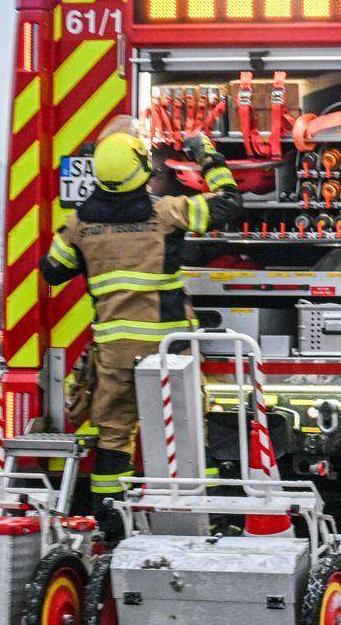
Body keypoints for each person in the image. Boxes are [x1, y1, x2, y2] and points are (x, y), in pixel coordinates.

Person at [39, 120, 241, 521]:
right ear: (141, 169)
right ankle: (208, 519)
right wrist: (206, 153)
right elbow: (229, 204)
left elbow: (52, 271)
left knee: (113, 438)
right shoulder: (167, 213)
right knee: (187, 429)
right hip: (168, 352)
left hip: (114, 354)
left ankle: (112, 526)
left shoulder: (79, 227)